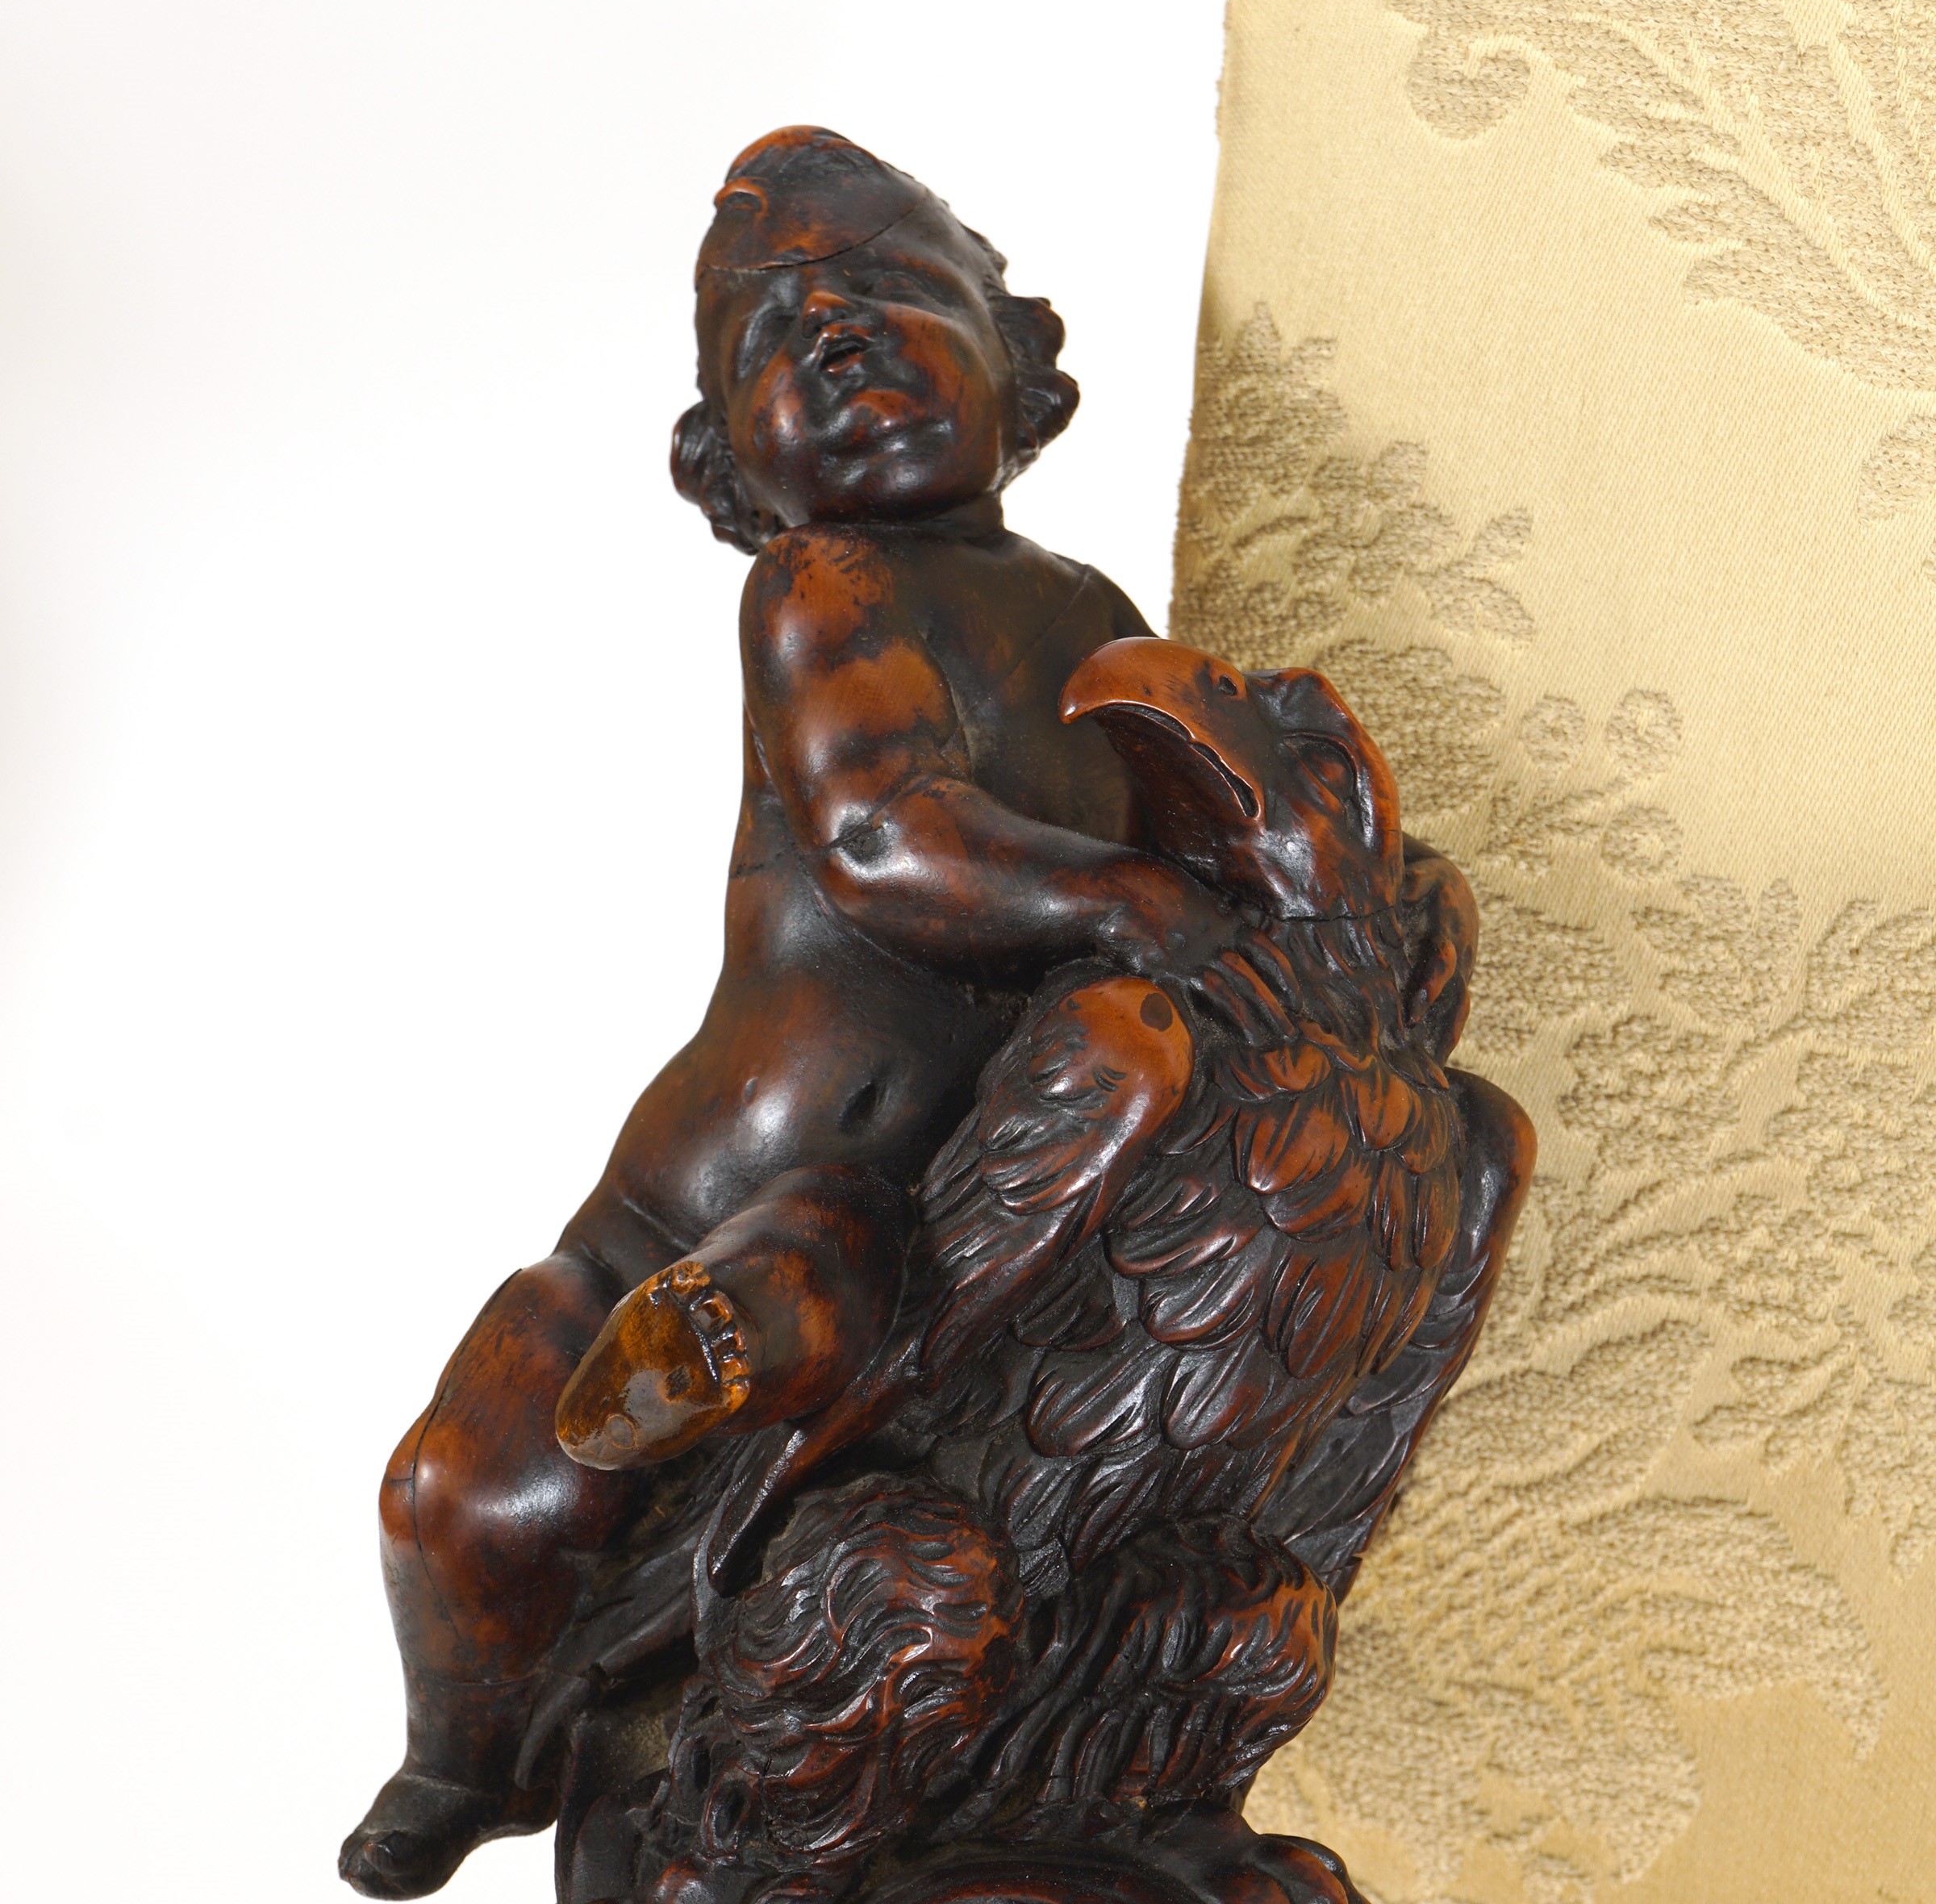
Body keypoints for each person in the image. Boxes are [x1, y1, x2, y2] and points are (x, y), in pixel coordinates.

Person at [342, 126, 1477, 1898]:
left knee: (861, 1326)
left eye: (886, 290)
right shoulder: (821, 589)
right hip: (706, 1194)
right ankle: (466, 1758)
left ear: (1019, 363)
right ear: (731, 460)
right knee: (473, 1495)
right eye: (775, 337)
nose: (838, 337)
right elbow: (887, 838)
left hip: (953, 1181)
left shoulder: (1086, 614)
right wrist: (1134, 905)